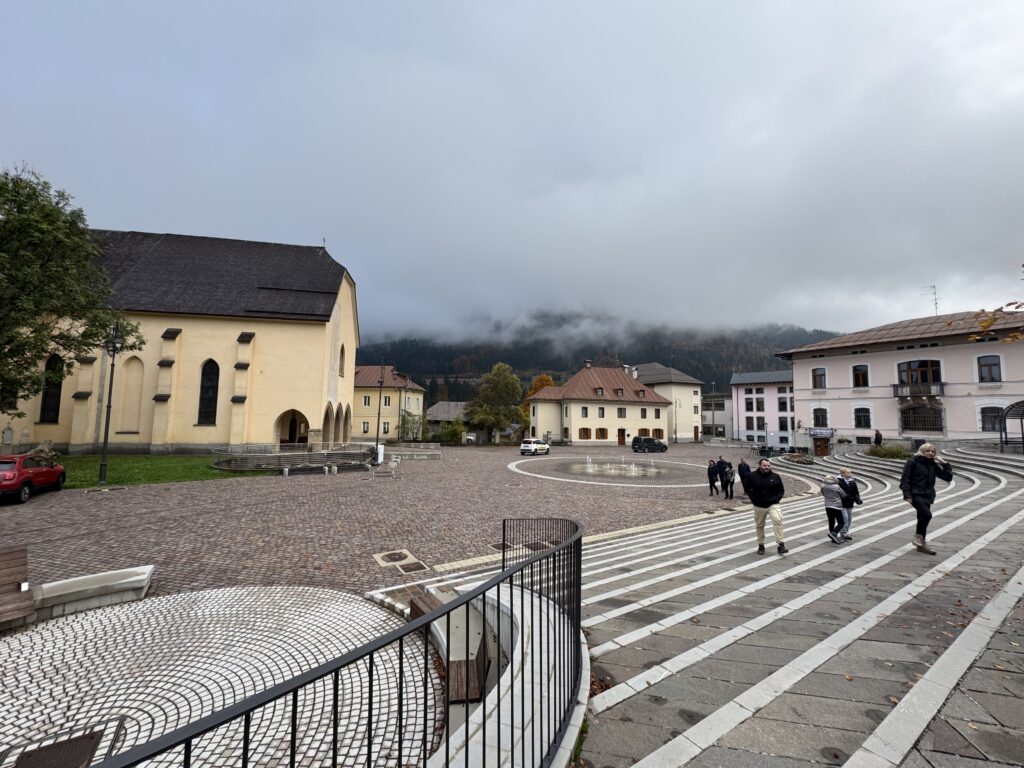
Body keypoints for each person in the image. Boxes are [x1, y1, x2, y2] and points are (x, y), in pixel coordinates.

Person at [899, 443, 953, 555]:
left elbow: (947, 477)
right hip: (915, 494)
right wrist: (907, 495)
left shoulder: (932, 464)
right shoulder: (912, 462)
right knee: (927, 515)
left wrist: (944, 463)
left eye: (933, 451)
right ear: (922, 451)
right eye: (928, 451)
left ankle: (921, 545)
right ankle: (918, 538)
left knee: (922, 517)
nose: (931, 453)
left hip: (928, 495)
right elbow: (905, 479)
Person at [746, 458, 787, 555]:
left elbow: (781, 490)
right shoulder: (752, 476)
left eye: (768, 465)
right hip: (759, 505)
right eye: (764, 465)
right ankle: (761, 545)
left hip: (773, 504)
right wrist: (754, 499)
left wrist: (777, 499)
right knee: (760, 525)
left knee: (778, 520)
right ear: (760, 465)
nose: (767, 467)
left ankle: (780, 544)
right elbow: (747, 489)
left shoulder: (775, 476)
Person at [820, 474, 847, 545]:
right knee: (841, 523)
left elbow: (823, 494)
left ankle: (833, 538)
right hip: (836, 506)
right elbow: (843, 495)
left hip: (827, 505)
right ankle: (834, 533)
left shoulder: (823, 485)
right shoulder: (836, 486)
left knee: (831, 521)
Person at [836, 468, 862, 540]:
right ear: (842, 473)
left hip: (850, 503)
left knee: (849, 519)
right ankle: (843, 533)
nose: (850, 474)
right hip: (841, 503)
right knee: (845, 518)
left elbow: (856, 492)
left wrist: (858, 499)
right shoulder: (838, 481)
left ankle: (845, 532)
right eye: (848, 473)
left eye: (850, 473)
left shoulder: (852, 482)